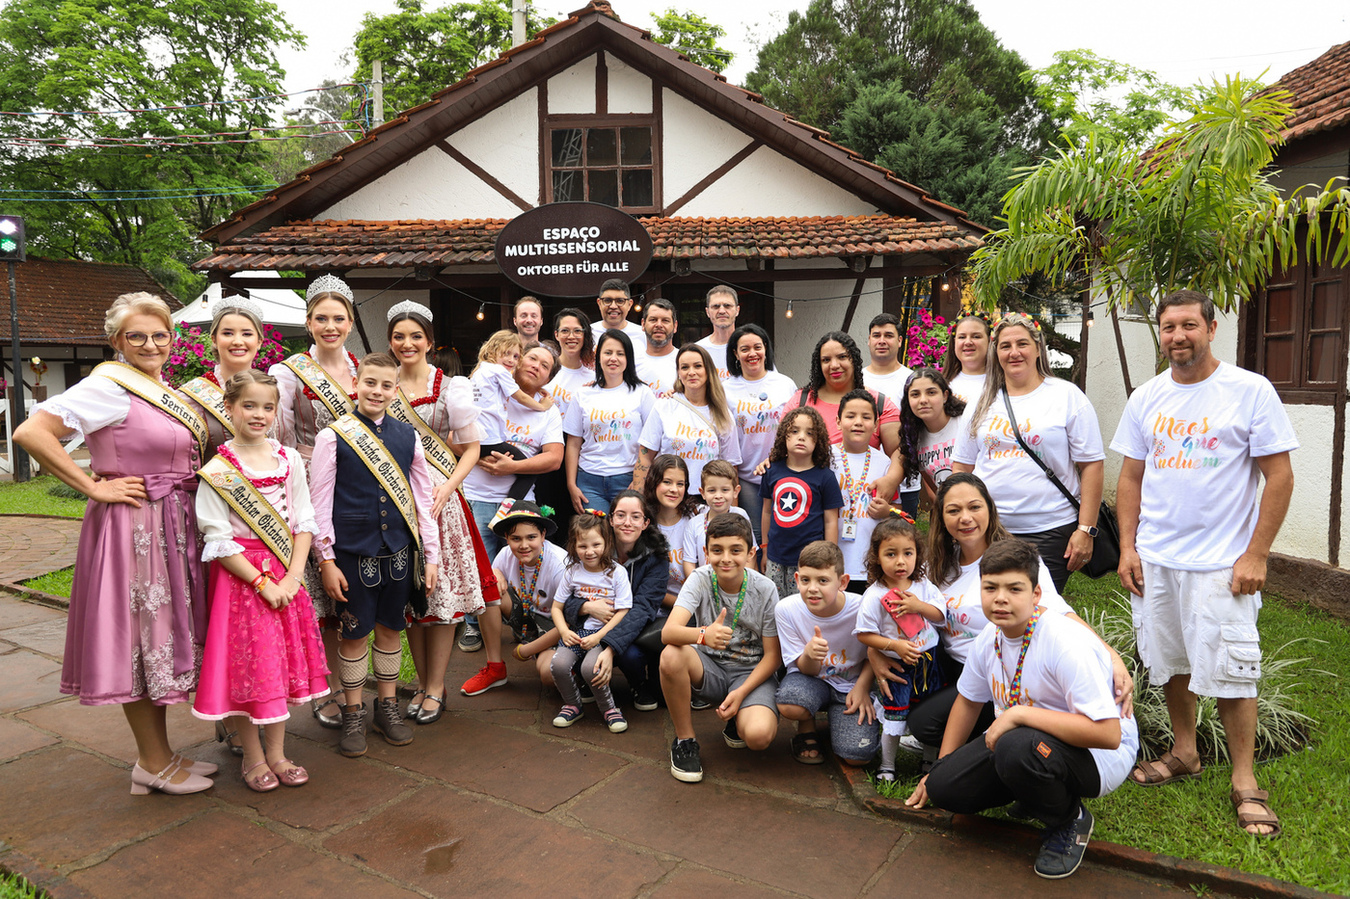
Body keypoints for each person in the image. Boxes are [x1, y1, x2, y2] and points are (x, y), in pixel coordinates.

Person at [1112, 289, 1297, 837]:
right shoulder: (1146, 397)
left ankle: (1245, 782)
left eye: (1189, 325)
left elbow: (1279, 476)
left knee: (1234, 671)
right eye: (1168, 328)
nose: (1177, 337)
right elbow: (1131, 477)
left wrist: (1256, 553)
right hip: (1158, 560)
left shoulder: (1248, 391)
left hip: (1222, 564)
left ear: (1212, 329)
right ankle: (1185, 752)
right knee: (1172, 662)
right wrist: (1128, 547)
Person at [15, 291, 213, 795]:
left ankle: (162, 754)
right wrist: (93, 485)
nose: (150, 344)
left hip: (173, 523)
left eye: (159, 334)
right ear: (116, 342)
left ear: (172, 338)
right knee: (141, 641)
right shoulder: (109, 388)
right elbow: (31, 432)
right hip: (136, 529)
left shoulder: (157, 387)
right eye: (137, 336)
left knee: (162, 639)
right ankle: (151, 761)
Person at [914, 539, 1140, 880]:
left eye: (1014, 589)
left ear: (1036, 595)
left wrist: (1019, 715)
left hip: (1098, 755)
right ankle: (1031, 788)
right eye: (990, 587)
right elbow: (968, 702)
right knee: (946, 788)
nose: (1000, 598)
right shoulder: (989, 638)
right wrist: (940, 767)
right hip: (1029, 741)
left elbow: (1107, 735)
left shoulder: (1064, 643)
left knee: (1016, 747)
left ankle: (1068, 821)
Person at [892, 474, 1133, 760]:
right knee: (915, 719)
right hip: (948, 669)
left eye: (974, 507)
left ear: (990, 509)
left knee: (925, 724)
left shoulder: (1016, 559)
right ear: (941, 517)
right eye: (954, 510)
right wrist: (878, 652)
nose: (965, 518)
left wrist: (1112, 658)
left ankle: (1007, 733)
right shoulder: (938, 563)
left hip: (1000, 672)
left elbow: (1060, 613)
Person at [192, 370, 329, 791]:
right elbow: (216, 537)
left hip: (287, 573)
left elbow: (304, 520)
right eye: (248, 405)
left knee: (279, 665)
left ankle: (278, 753)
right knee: (248, 666)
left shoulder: (288, 459)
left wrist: (291, 577)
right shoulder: (219, 469)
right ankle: (252, 757)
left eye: (267, 407)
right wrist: (262, 583)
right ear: (229, 408)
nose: (258, 414)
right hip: (241, 583)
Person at [310, 353, 440, 758]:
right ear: (357, 384)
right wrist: (325, 560)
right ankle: (353, 711)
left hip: (399, 552)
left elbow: (422, 501)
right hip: (350, 555)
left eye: (386, 385)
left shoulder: (408, 436)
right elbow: (319, 503)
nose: (377, 391)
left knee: (389, 631)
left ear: (395, 389)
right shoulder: (332, 436)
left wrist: (431, 556)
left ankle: (387, 707)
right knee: (353, 635)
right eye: (370, 383)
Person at [385, 302, 504, 717]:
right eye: (399, 336)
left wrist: (449, 486)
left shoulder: (450, 386)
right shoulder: (382, 384)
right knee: (409, 600)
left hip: (439, 500)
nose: (407, 343)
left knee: (441, 596)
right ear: (390, 342)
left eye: (416, 336)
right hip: (395, 500)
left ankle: (436, 686)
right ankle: (420, 683)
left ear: (430, 343)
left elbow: (471, 449)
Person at [952, 313, 1105, 593]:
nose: (1014, 353)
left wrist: (1085, 530)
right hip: (990, 529)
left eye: (1022, 344)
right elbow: (962, 468)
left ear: (1037, 348)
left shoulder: (1066, 396)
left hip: (1050, 529)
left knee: (1038, 609)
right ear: (995, 352)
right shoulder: (980, 403)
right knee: (992, 609)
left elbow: (1092, 466)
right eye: (1004, 346)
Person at [270, 274, 360, 730]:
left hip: (361, 488)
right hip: (309, 483)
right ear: (308, 322)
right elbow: (278, 438)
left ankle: (353, 689)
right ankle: (325, 689)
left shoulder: (364, 370)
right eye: (321, 318)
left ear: (349, 322)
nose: (330, 326)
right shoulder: (287, 373)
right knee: (321, 596)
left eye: (338, 318)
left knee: (354, 592)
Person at [458, 343, 564, 669]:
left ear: (548, 377)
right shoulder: (485, 388)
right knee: (479, 564)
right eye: (531, 357)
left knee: (519, 569)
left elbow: (554, 458)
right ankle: (473, 626)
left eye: (544, 365)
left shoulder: (547, 410)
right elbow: (452, 437)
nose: (535, 365)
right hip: (477, 494)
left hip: (518, 504)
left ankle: (524, 624)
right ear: (517, 362)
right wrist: (480, 451)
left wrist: (511, 468)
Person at [661, 514, 781, 783]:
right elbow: (669, 632)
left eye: (736, 550)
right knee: (670, 654)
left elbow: (773, 657)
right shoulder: (701, 578)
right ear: (706, 552)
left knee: (759, 737)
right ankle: (685, 740)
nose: (726, 558)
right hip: (710, 668)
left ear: (751, 553)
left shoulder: (766, 588)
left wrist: (741, 693)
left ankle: (740, 714)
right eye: (717, 550)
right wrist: (703, 635)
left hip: (750, 673)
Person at [560, 489, 672, 712]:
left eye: (635, 516)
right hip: (594, 623)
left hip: (637, 626)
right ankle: (586, 676)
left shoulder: (656, 557)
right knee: (579, 640)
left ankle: (638, 683)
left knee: (630, 654)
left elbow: (643, 608)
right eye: (620, 515)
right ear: (610, 520)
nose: (627, 522)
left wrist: (610, 647)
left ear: (645, 522)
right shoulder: (593, 548)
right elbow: (566, 597)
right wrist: (586, 606)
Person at [853, 515, 946, 782]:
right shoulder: (874, 594)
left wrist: (919, 607)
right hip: (898, 666)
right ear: (877, 557)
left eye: (908, 553)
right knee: (895, 714)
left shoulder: (924, 586)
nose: (901, 561)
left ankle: (929, 760)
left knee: (931, 711)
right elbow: (865, 634)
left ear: (918, 554)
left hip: (929, 661)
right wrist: (894, 645)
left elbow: (941, 615)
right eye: (891, 554)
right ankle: (887, 766)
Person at [774, 540, 879, 767]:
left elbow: (876, 653)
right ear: (797, 580)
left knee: (856, 756)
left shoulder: (862, 608)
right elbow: (804, 669)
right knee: (790, 703)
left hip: (852, 683)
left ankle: (839, 719)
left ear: (842, 582)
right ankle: (807, 724)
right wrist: (810, 655)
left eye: (823, 580)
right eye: (806, 580)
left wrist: (862, 687)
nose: (813, 588)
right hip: (812, 679)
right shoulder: (786, 609)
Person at [549, 511, 633, 733]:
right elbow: (556, 607)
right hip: (576, 633)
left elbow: (623, 611)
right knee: (558, 665)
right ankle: (572, 705)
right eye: (582, 546)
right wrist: (564, 631)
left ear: (607, 542)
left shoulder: (617, 573)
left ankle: (609, 709)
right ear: (574, 545)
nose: (589, 551)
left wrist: (599, 636)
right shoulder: (572, 572)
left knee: (590, 668)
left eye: (596, 544)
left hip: (602, 636)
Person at [563, 328, 656, 513]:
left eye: (620, 353)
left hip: (628, 478)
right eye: (608, 352)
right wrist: (571, 485)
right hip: (589, 481)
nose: (613, 358)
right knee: (596, 537)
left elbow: (653, 441)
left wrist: (640, 480)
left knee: (625, 535)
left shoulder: (643, 393)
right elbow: (573, 443)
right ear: (599, 357)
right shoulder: (583, 394)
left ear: (628, 358)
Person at [723, 324, 797, 549]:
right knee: (754, 536)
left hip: (783, 472)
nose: (752, 353)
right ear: (735, 354)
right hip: (746, 477)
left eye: (757, 347)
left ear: (766, 348)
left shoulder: (785, 384)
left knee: (785, 530)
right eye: (744, 349)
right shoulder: (725, 389)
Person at [760, 407, 844, 597]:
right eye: (794, 431)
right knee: (777, 606)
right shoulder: (771, 471)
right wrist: (764, 549)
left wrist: (831, 560)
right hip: (775, 558)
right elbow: (766, 511)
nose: (801, 437)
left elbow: (831, 521)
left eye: (810, 433)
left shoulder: (825, 477)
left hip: (810, 562)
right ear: (784, 435)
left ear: (819, 440)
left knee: (805, 606)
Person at [638, 344, 740, 496]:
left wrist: (730, 513)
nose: (691, 372)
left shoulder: (723, 415)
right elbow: (645, 456)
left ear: (708, 370)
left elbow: (731, 467)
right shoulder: (664, 405)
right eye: (685, 367)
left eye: (698, 366)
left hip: (708, 500)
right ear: (678, 372)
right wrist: (640, 497)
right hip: (668, 498)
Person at [179, 295, 268, 461]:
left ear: (259, 341)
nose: (237, 341)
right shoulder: (190, 396)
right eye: (227, 333)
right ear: (214, 339)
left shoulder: (275, 389)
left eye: (247, 334)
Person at [469, 329, 554, 503]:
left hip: (476, 439)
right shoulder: (498, 372)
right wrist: (541, 406)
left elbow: (554, 458)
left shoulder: (479, 373)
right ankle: (507, 510)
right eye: (507, 354)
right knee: (529, 475)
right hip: (489, 441)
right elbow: (520, 396)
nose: (511, 360)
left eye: (516, 356)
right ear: (492, 351)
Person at [490, 503, 568, 690]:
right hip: (525, 618)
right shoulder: (505, 554)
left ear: (543, 535)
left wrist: (526, 650)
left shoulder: (559, 565)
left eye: (531, 537)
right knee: (489, 587)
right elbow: (493, 572)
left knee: (549, 674)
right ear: (506, 538)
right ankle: (493, 665)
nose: (524, 545)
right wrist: (496, 572)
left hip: (555, 628)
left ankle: (572, 670)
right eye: (516, 538)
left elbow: (570, 623)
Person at [830, 390, 899, 583]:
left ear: (876, 425)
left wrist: (887, 511)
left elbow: (897, 511)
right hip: (833, 566)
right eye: (850, 416)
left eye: (866, 417)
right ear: (838, 421)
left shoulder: (884, 463)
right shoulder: (824, 458)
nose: (858, 422)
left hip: (871, 567)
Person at [862, 313, 919, 516]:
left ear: (900, 341)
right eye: (876, 335)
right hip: (863, 479)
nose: (882, 340)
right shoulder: (857, 380)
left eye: (888, 335)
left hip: (906, 482)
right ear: (868, 340)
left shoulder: (912, 380)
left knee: (901, 539)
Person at [898, 366, 966, 505]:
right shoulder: (914, 437)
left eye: (931, 392)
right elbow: (935, 489)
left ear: (945, 395)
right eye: (915, 394)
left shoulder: (964, 423)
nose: (923, 400)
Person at [681, 460, 755, 577]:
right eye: (712, 490)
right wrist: (699, 587)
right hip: (706, 586)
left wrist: (745, 583)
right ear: (702, 493)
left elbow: (750, 556)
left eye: (725, 490)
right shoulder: (694, 524)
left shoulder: (741, 516)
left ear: (735, 491)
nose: (718, 496)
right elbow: (689, 564)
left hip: (737, 584)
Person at [645, 454, 699, 608]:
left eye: (680, 484)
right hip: (663, 608)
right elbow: (648, 587)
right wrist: (686, 607)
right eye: (667, 482)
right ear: (654, 482)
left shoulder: (698, 516)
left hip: (701, 603)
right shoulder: (643, 525)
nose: (674, 490)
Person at [544, 307, 595, 418]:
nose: (571, 337)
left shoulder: (593, 379)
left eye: (577, 331)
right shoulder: (544, 370)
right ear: (556, 335)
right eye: (565, 331)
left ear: (584, 335)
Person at [941, 312, 992, 405]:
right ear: (954, 342)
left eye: (976, 336)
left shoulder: (1005, 384)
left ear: (989, 341)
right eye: (962, 337)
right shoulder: (941, 385)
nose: (968, 342)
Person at [634, 298, 680, 397]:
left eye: (665, 321)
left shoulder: (685, 362)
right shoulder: (631, 363)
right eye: (653, 320)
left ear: (675, 326)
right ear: (643, 324)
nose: (659, 325)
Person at [694, 284, 739, 378]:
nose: (722, 311)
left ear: (737, 310)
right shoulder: (698, 350)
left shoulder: (750, 348)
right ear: (707, 312)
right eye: (716, 306)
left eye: (727, 306)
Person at [590, 278, 646, 350]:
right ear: (599, 303)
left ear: (629, 304)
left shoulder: (643, 335)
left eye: (620, 301)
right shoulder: (588, 335)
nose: (613, 306)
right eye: (607, 300)